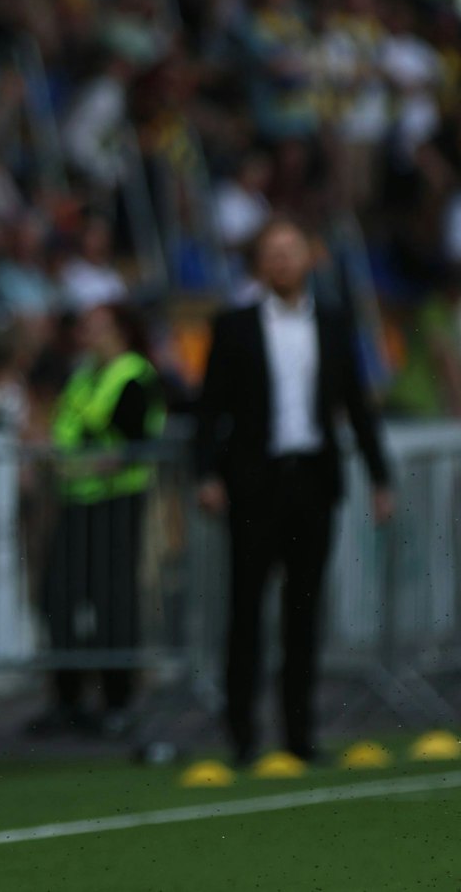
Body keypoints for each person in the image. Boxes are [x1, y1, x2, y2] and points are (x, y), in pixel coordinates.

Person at [195, 218, 392, 764]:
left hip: (313, 480)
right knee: (246, 610)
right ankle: (241, 735)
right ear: (259, 264)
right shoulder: (233, 326)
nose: (282, 260)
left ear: (309, 258)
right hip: (254, 482)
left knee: (304, 612)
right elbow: (211, 407)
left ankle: (299, 734)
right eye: (272, 252)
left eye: (291, 250)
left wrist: (379, 477)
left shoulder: (333, 322)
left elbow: (356, 404)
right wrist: (205, 474)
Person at [30, 302, 166, 738]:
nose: (86, 334)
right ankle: (67, 699)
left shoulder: (133, 375)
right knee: (59, 597)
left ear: (121, 332)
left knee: (112, 604)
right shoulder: (83, 373)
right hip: (75, 502)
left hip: (115, 502)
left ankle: (117, 702)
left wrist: (78, 467)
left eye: (97, 327)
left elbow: (135, 445)